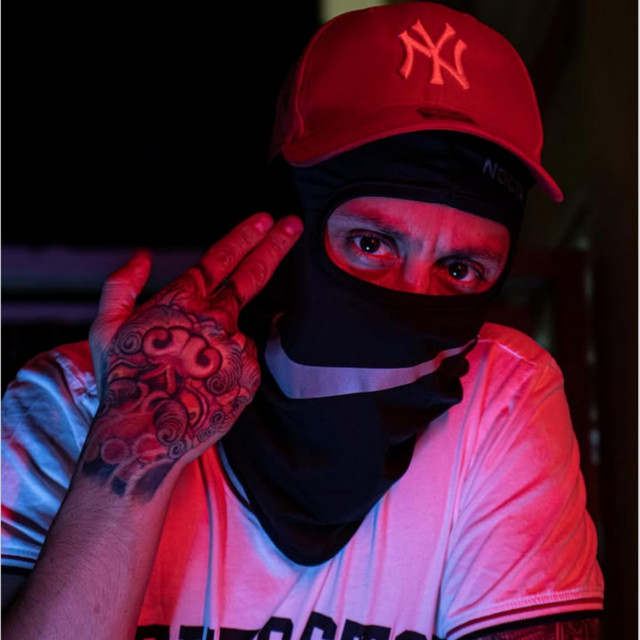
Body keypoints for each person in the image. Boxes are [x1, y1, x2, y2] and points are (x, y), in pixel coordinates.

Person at [1, 2, 604, 639]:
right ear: (288, 226)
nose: (410, 300)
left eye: (460, 269)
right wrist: (132, 451)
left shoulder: (498, 396)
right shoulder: (81, 401)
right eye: (371, 244)